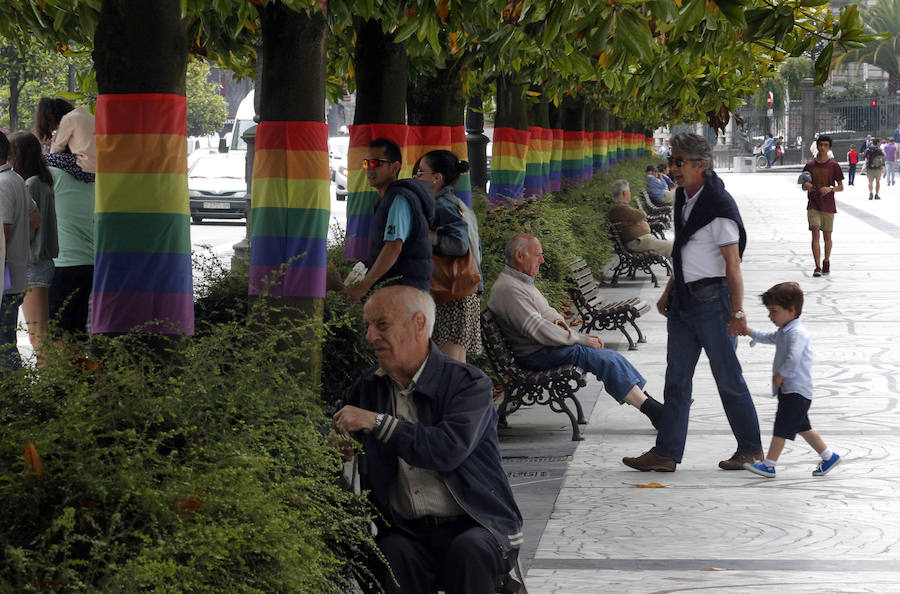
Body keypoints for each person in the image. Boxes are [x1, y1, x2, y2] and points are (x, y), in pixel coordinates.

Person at [332, 285, 523, 594]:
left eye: (381, 324)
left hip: (478, 523)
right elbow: (336, 421)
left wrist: (377, 422)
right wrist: (334, 438)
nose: (370, 337)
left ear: (419, 324)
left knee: (469, 551)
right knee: (390, 555)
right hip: (407, 530)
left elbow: (446, 450)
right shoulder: (368, 388)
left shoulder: (467, 383)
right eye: (368, 326)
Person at [622, 133, 763, 472]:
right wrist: (670, 288)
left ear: (701, 164)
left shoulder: (719, 206)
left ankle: (751, 449)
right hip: (685, 300)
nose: (672, 168)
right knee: (676, 379)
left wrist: (738, 312)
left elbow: (733, 264)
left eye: (679, 162)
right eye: (672, 161)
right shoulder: (685, 196)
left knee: (728, 378)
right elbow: (686, 249)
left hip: (714, 302)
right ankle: (666, 452)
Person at [487, 234, 664, 428]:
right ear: (520, 256)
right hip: (538, 354)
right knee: (606, 359)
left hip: (543, 349)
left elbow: (547, 312)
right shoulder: (510, 289)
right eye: (538, 255)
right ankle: (655, 411)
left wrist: (567, 329)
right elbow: (539, 329)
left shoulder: (519, 282)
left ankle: (654, 407)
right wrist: (579, 339)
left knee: (610, 357)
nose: (542, 260)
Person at [741, 282, 841, 478]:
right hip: (793, 391)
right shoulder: (785, 330)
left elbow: (793, 358)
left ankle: (769, 465)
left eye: (773, 311)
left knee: (782, 428)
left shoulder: (796, 333)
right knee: (803, 427)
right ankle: (829, 456)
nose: (770, 316)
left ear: (791, 310)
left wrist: (781, 374)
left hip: (795, 391)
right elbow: (770, 337)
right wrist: (749, 331)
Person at [345, 138, 435, 302]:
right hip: (401, 290)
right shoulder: (388, 199)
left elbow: (393, 247)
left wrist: (363, 287)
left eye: (376, 163)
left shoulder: (399, 199)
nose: (369, 169)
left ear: (395, 167)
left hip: (404, 293)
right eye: (367, 163)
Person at [417, 149, 482, 363]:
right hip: (461, 294)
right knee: (454, 365)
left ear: (437, 178)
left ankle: (461, 398)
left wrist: (425, 235)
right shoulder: (457, 204)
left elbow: (458, 244)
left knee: (450, 367)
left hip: (452, 297)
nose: (416, 177)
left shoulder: (441, 205)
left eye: (420, 172)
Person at [8, 132, 58, 361]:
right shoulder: (42, 180)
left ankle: (49, 388)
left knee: (38, 337)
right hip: (40, 262)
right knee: (41, 335)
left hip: (32, 263)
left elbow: (30, 223)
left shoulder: (30, 183)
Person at [0, 133, 40, 370]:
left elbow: (2, 231)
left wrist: (11, 241)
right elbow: (35, 217)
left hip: (4, 282)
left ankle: (14, 401)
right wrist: (18, 242)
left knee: (4, 347)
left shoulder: (3, 184)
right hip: (12, 277)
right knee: (6, 343)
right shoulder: (15, 179)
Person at [46, 151, 95, 339]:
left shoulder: (50, 173)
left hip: (63, 261)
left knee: (57, 329)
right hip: (90, 261)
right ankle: (77, 368)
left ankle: (62, 369)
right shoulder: (93, 176)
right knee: (78, 329)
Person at [801, 135, 843, 278]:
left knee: (827, 237)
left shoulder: (834, 166)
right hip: (813, 204)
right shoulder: (810, 166)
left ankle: (826, 260)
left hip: (828, 205)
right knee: (815, 233)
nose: (823, 148)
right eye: (821, 145)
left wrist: (830, 189)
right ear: (817, 146)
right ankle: (817, 266)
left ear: (829, 147)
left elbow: (841, 187)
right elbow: (803, 184)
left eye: (826, 145)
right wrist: (806, 186)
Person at [609, 179, 673, 259]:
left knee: (674, 247)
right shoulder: (620, 208)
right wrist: (637, 220)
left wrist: (635, 221)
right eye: (629, 191)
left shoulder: (621, 207)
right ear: (625, 193)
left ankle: (678, 270)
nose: (630, 194)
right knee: (673, 247)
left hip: (643, 240)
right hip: (639, 242)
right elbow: (641, 214)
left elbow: (638, 217)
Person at [34, 97, 96, 174]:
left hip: (85, 167)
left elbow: (56, 149)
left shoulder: (68, 118)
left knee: (42, 160)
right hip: (99, 166)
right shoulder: (88, 115)